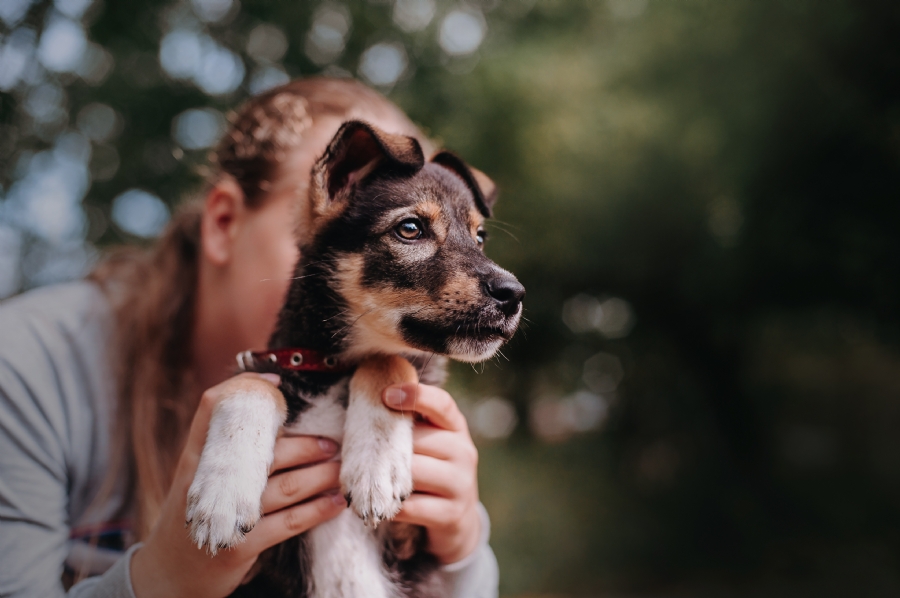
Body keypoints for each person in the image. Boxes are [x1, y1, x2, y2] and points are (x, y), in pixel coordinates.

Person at [0, 78, 498, 598]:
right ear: (222, 223)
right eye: (312, 221)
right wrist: (162, 580)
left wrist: (463, 549)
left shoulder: (383, 378)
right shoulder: (27, 366)